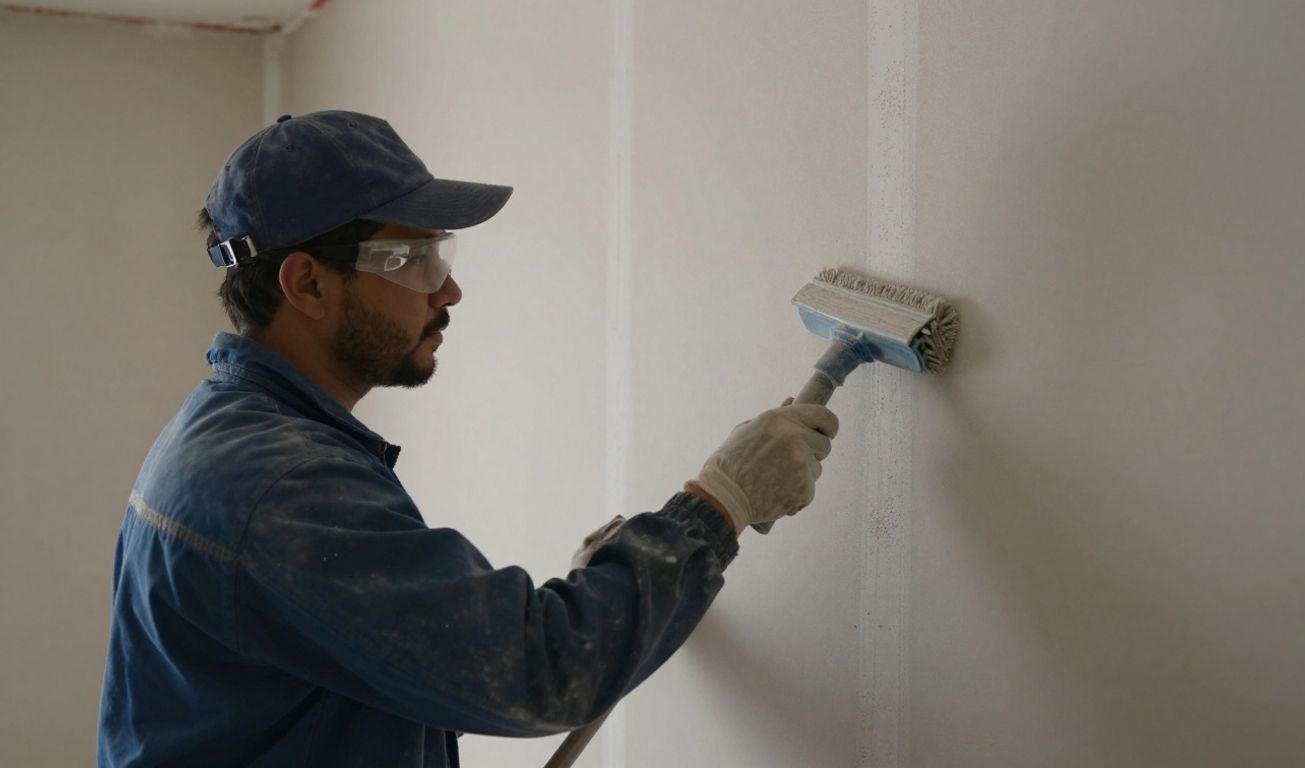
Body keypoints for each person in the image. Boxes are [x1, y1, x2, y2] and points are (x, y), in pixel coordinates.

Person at [96, 110, 838, 767]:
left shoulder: (231, 438)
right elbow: (539, 674)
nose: (447, 290)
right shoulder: (283, 487)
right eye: (412, 259)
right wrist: (718, 505)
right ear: (308, 285)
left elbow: (415, 661)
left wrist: (610, 581)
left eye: (440, 255)